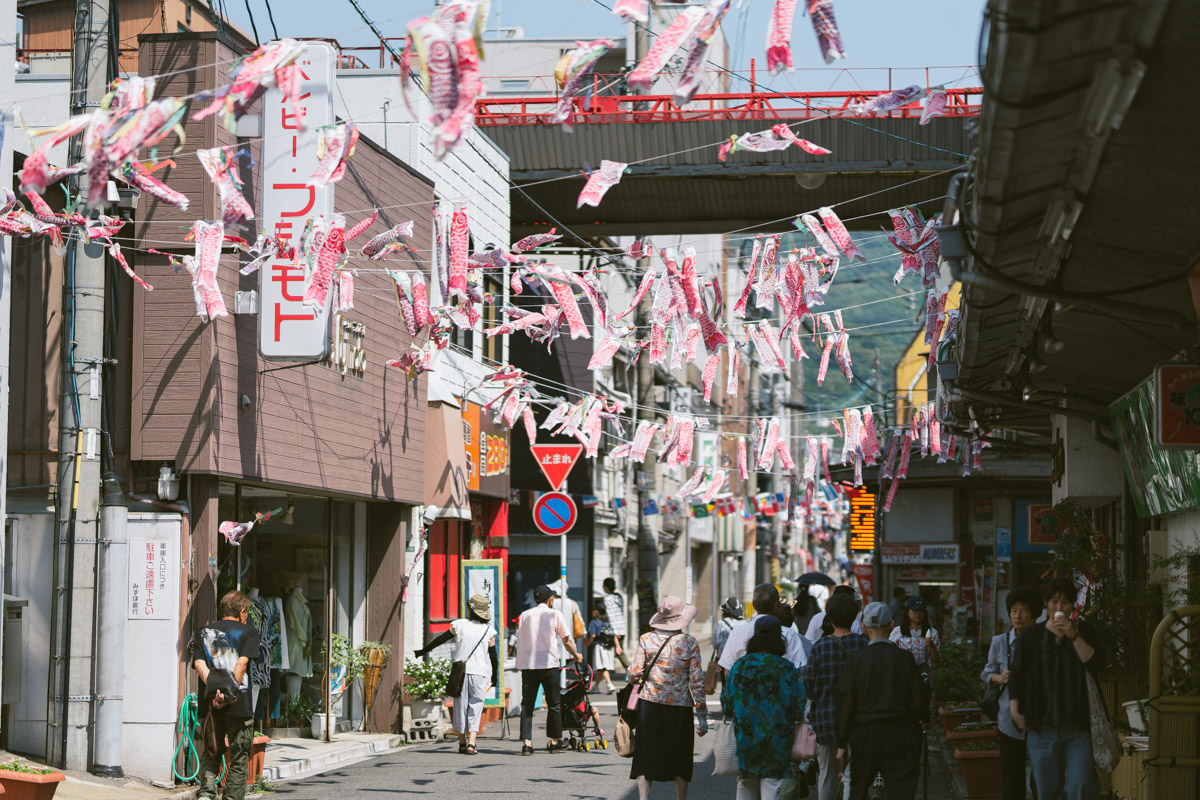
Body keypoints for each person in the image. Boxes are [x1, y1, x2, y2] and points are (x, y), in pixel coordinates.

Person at [1009, 577, 1106, 800]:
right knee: (1047, 791)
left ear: (1073, 605)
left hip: (1079, 727)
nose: (1059, 607)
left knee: (1080, 786)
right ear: (1046, 604)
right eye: (1054, 602)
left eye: (1065, 602)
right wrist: (1015, 710)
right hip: (1042, 727)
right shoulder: (1032, 635)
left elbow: (1096, 664)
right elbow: (1017, 675)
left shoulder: (1084, 630)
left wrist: (1073, 634)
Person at [836, 602, 927, 800]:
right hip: (899, 732)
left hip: (865, 734)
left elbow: (848, 702)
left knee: (858, 790)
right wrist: (923, 718)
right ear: (891, 625)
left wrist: (842, 742)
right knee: (901, 790)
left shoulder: (855, 659)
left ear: (864, 627)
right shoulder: (905, 658)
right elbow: (919, 700)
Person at [627, 596, 708, 800]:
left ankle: (644, 798)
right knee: (680, 755)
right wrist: (702, 716)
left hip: (649, 704)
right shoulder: (689, 643)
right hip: (679, 706)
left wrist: (632, 673)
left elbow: (635, 672)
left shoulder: (646, 639)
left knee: (645, 754)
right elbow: (697, 680)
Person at [723, 615, 808, 800]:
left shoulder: (740, 666)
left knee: (745, 783)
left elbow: (726, 702)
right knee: (773, 784)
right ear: (779, 639)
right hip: (778, 737)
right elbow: (799, 705)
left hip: (747, 736)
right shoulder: (787, 668)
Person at [193, 590, 261, 800]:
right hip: (238, 704)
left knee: (211, 752)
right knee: (239, 756)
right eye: (246, 612)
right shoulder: (248, 631)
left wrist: (215, 693)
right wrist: (228, 694)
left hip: (211, 704)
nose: (247, 616)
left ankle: (206, 795)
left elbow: (199, 664)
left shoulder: (202, 632)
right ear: (241, 611)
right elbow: (241, 663)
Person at [803, 593, 869, 800]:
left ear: (829, 618)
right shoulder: (865, 644)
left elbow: (809, 687)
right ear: (856, 616)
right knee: (853, 773)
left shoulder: (819, 647)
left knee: (827, 773)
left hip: (826, 718)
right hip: (859, 719)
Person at [414, 593, 498, 755]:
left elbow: (441, 639)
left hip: (461, 672)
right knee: (476, 706)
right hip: (480, 673)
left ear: (470, 609)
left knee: (460, 705)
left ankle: (461, 742)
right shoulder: (488, 630)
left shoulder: (459, 625)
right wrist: (494, 675)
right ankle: (472, 743)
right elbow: (493, 656)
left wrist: (423, 651)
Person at [982, 586, 1040, 800]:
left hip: (1038, 716)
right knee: (1011, 775)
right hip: (1007, 717)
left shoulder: (1042, 641)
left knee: (1040, 775)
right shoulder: (999, 642)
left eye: (1023, 610)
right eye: (1014, 610)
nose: (1017, 615)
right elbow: (987, 672)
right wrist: (1000, 677)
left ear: (1034, 614)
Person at [515, 584, 584, 755]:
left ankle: (527, 743)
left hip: (529, 665)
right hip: (548, 664)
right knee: (554, 704)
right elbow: (566, 640)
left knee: (527, 705)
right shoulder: (554, 614)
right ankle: (554, 742)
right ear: (551, 599)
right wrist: (576, 655)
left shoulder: (524, 615)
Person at [721, 584, 813, 673]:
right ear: (777, 605)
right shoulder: (789, 634)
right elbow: (799, 669)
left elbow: (727, 671)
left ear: (753, 605)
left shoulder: (737, 632)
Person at [889, 595, 941, 668]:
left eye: (921, 611)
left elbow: (936, 661)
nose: (918, 613)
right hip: (903, 675)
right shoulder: (897, 631)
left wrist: (932, 647)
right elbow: (890, 656)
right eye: (914, 610)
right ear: (907, 612)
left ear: (925, 613)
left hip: (923, 676)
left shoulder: (932, 632)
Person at [585, 601, 618, 694]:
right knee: (601, 668)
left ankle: (609, 684)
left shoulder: (594, 622)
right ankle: (596, 687)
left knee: (602, 667)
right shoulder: (607, 622)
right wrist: (618, 646)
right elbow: (614, 634)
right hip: (609, 647)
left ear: (596, 612)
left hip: (600, 646)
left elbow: (593, 635)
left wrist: (587, 643)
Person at [603, 577, 630, 669]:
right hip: (622, 627)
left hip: (615, 629)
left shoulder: (608, 599)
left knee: (618, 652)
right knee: (618, 651)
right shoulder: (619, 597)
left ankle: (631, 669)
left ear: (606, 587)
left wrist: (614, 631)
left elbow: (611, 615)